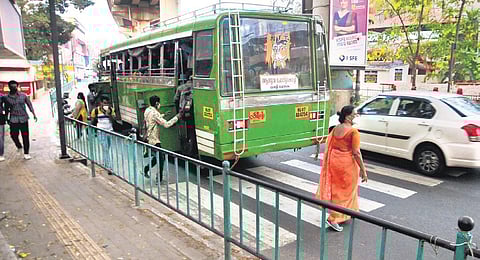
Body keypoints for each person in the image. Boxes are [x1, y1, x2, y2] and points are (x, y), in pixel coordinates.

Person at [316, 105, 367, 232]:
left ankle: (348, 212)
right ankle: (334, 218)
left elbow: (331, 146)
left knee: (337, 190)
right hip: (346, 164)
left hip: (334, 161)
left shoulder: (335, 128)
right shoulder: (353, 132)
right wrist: (363, 170)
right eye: (355, 113)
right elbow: (356, 152)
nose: (356, 115)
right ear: (348, 116)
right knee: (346, 191)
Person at [143, 95, 182, 182]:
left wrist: (163, 115)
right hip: (154, 139)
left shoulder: (147, 110)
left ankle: (146, 169)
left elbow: (153, 119)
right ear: (157, 103)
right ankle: (159, 177)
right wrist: (177, 117)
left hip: (149, 137)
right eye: (159, 103)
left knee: (157, 157)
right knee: (161, 158)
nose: (159, 104)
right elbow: (166, 124)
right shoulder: (155, 113)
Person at [3, 80, 37, 160]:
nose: (14, 88)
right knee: (13, 135)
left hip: (23, 119)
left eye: (15, 86)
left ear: (17, 86)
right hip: (13, 120)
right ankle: (18, 145)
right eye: (12, 86)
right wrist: (6, 118)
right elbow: (6, 109)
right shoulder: (6, 98)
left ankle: (26, 153)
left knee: (25, 136)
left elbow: (29, 105)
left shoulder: (23, 96)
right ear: (9, 87)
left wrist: (34, 114)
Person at [91, 96, 115, 173]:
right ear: (100, 103)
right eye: (104, 103)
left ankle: (104, 162)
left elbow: (113, 121)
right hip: (101, 131)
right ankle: (109, 167)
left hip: (109, 131)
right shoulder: (96, 111)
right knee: (105, 147)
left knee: (107, 148)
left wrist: (109, 114)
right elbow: (92, 120)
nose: (106, 104)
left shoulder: (111, 110)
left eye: (107, 103)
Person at [0, 93, 6, 162]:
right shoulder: (2, 96)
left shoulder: (1, 96)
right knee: (1, 137)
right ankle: (1, 155)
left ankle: (1, 154)